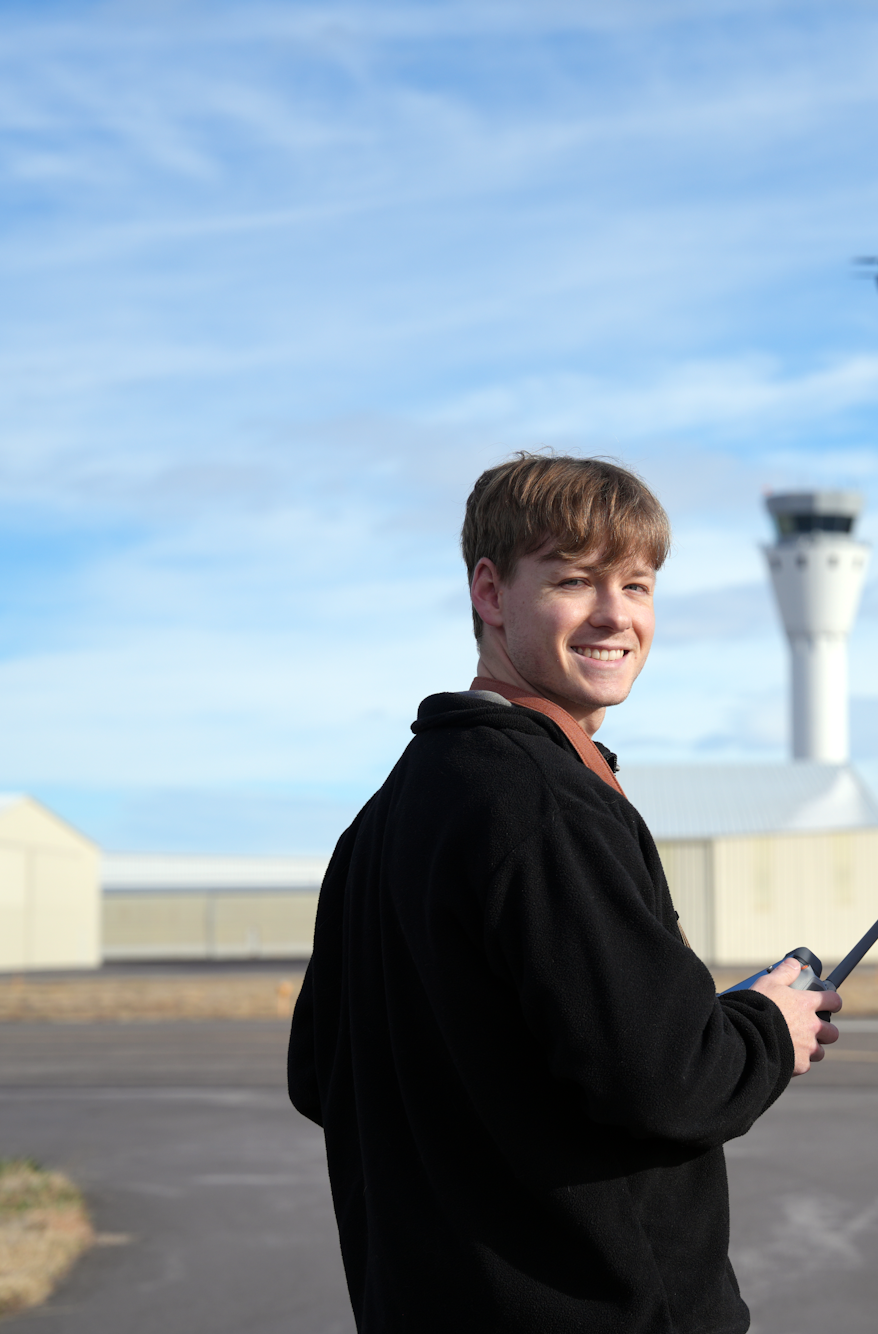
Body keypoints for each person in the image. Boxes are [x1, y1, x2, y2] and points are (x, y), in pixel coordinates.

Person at [288, 452, 840, 1333]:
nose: (616, 615)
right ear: (490, 591)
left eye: (639, 584)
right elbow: (673, 1083)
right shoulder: (544, 803)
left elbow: (322, 1075)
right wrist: (771, 1026)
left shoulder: (387, 812)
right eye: (576, 581)